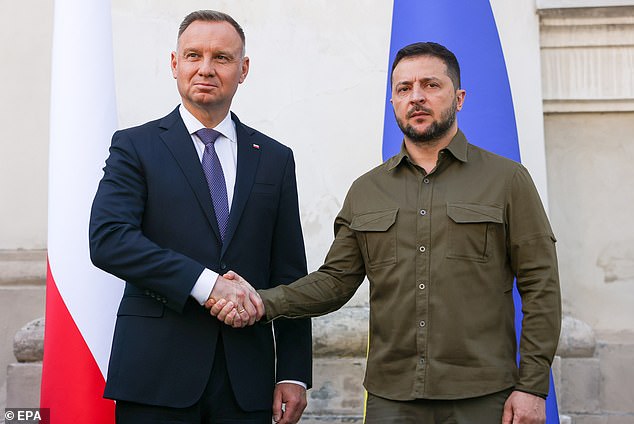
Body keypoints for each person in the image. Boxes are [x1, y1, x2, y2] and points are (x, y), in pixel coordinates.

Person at [210, 42, 562, 424]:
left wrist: (531, 386)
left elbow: (541, 287)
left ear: (458, 98)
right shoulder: (366, 191)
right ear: (393, 101)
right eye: (404, 88)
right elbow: (334, 283)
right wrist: (262, 301)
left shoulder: (508, 181)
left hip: (483, 397)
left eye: (431, 85)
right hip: (391, 400)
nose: (417, 97)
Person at [89, 10, 311, 424]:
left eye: (222, 58)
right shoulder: (135, 147)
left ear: (243, 70)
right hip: (155, 376)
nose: (205, 68)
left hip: (248, 382)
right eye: (193, 55)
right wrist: (206, 285)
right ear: (175, 64)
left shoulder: (276, 159)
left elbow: (289, 272)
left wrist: (295, 373)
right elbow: (109, 240)